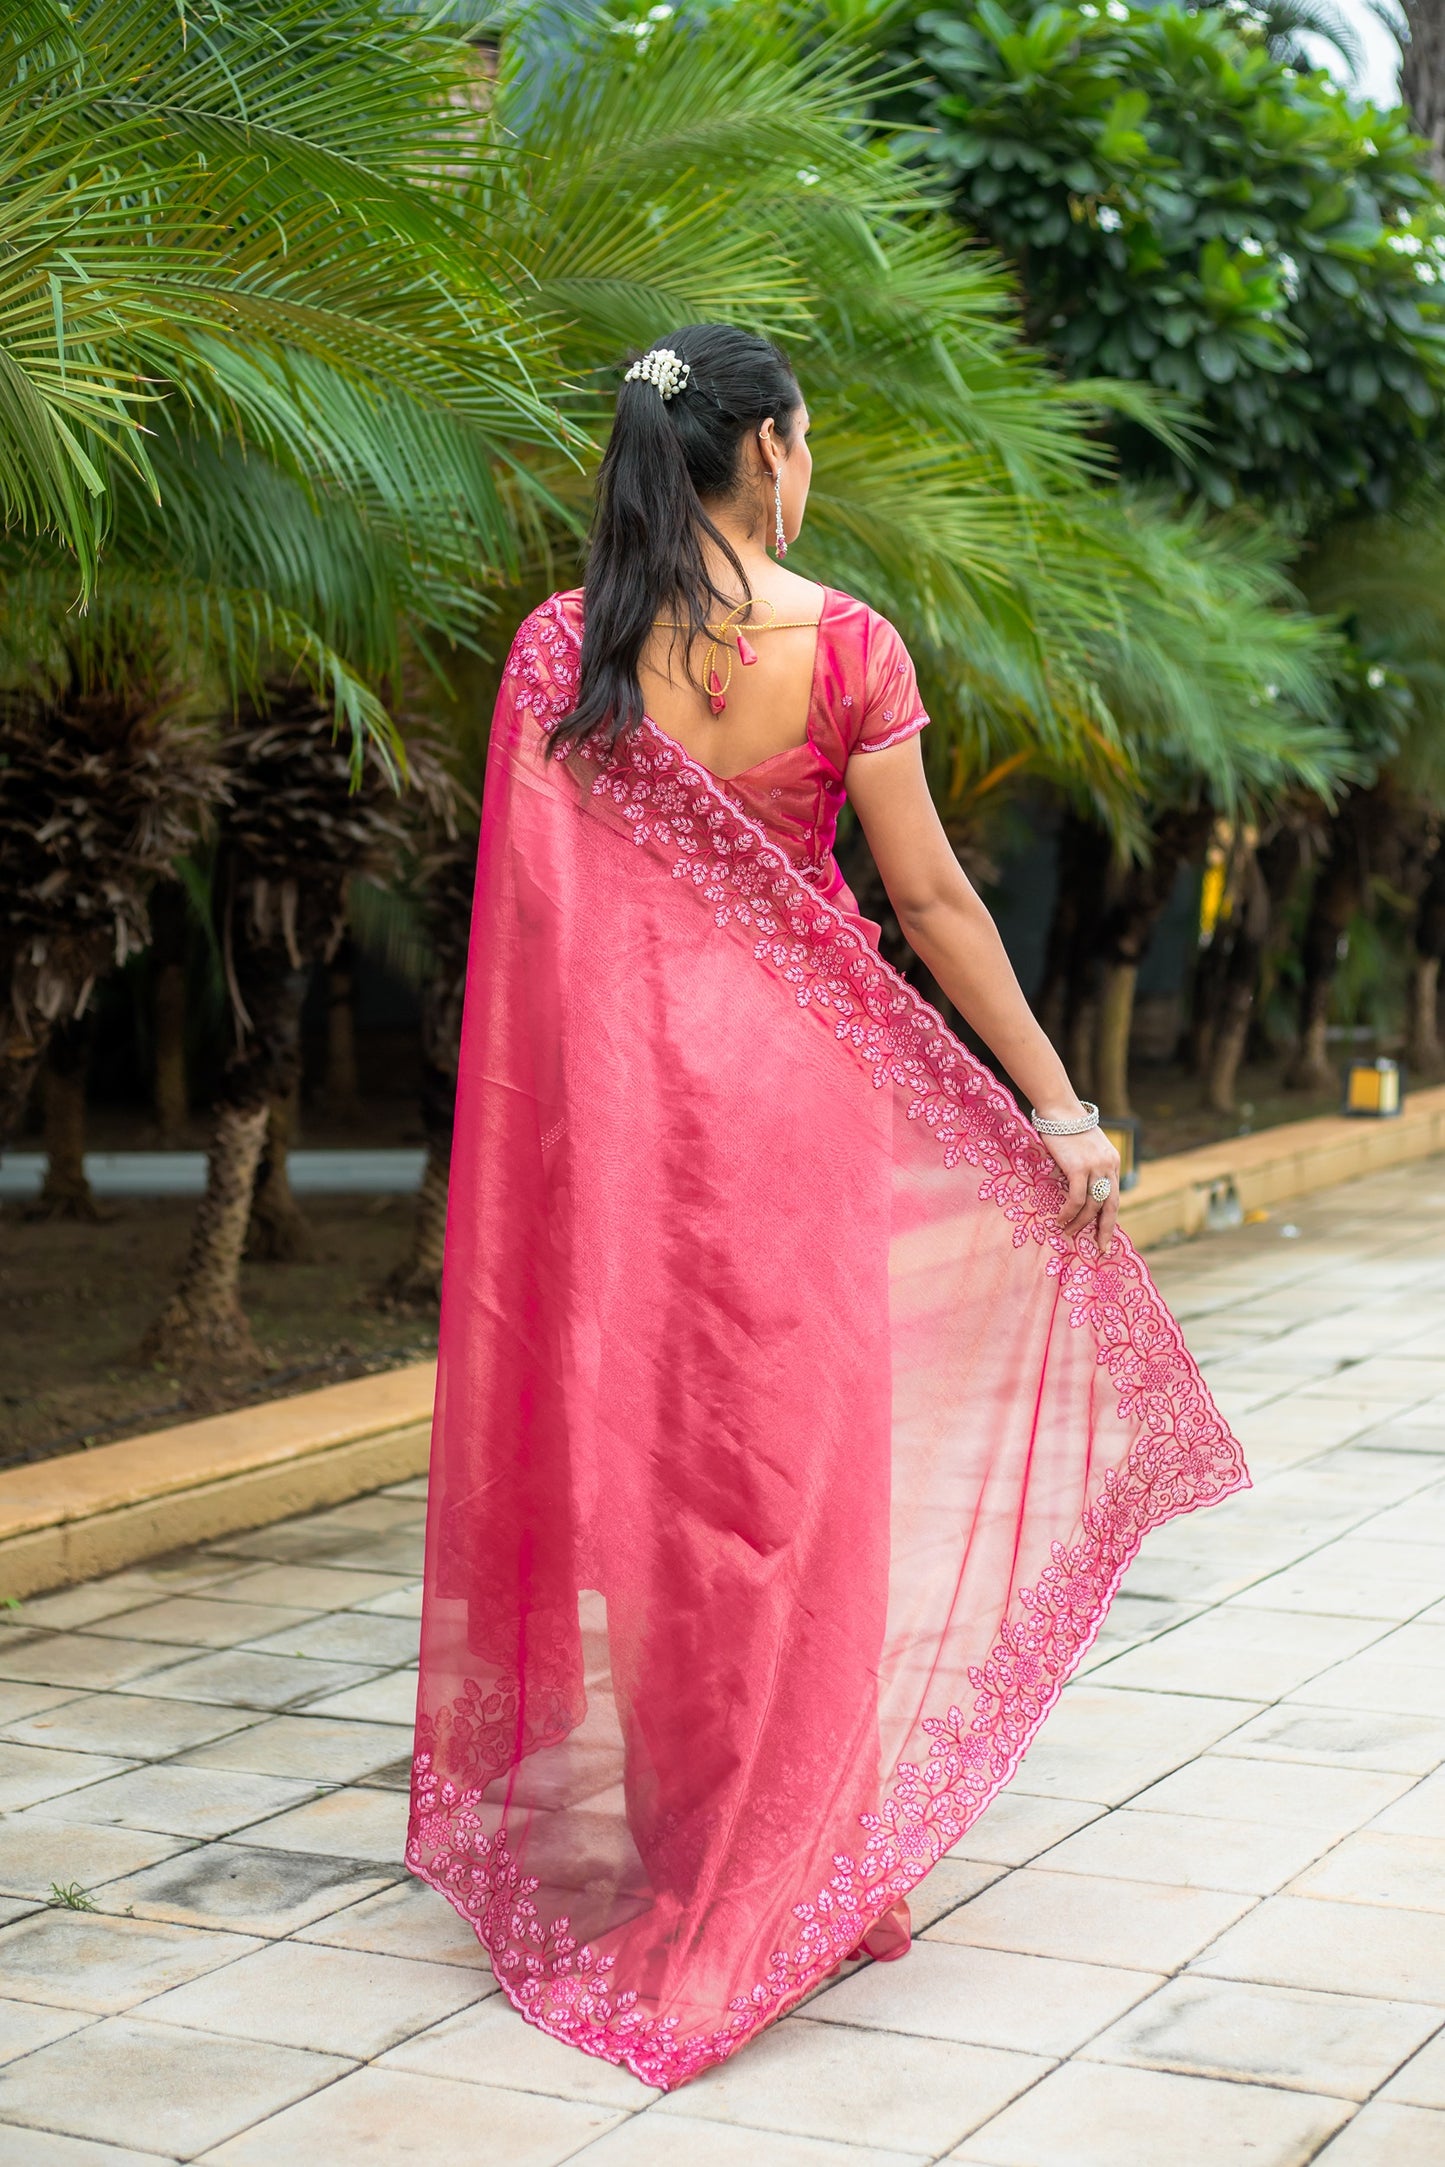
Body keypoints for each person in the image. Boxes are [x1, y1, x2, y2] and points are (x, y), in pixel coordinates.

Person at [408, 323, 1246, 2091]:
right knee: (801, 1487)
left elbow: (538, 954)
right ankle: (806, 1862)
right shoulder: (841, 642)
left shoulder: (562, 651)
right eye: (808, 442)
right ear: (771, 451)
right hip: (794, 1119)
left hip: (633, 1136)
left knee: (665, 1488)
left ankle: (699, 1842)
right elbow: (933, 901)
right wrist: (1058, 1106)